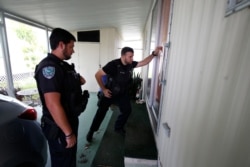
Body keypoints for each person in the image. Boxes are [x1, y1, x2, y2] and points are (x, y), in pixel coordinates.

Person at [34, 28, 88, 167]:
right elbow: (53, 104)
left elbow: (73, 83)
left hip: (69, 119)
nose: (73, 51)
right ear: (61, 45)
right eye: (71, 47)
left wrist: (77, 80)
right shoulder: (49, 67)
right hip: (59, 127)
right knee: (63, 161)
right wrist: (68, 133)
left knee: (69, 158)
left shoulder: (63, 66)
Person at [86, 46, 162, 142]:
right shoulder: (113, 65)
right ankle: (92, 131)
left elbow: (144, 62)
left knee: (127, 110)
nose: (132, 59)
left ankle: (118, 127)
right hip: (109, 93)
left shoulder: (130, 64)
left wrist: (154, 54)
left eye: (132, 56)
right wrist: (104, 89)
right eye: (130, 56)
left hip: (122, 93)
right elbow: (97, 75)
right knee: (101, 113)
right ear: (123, 56)